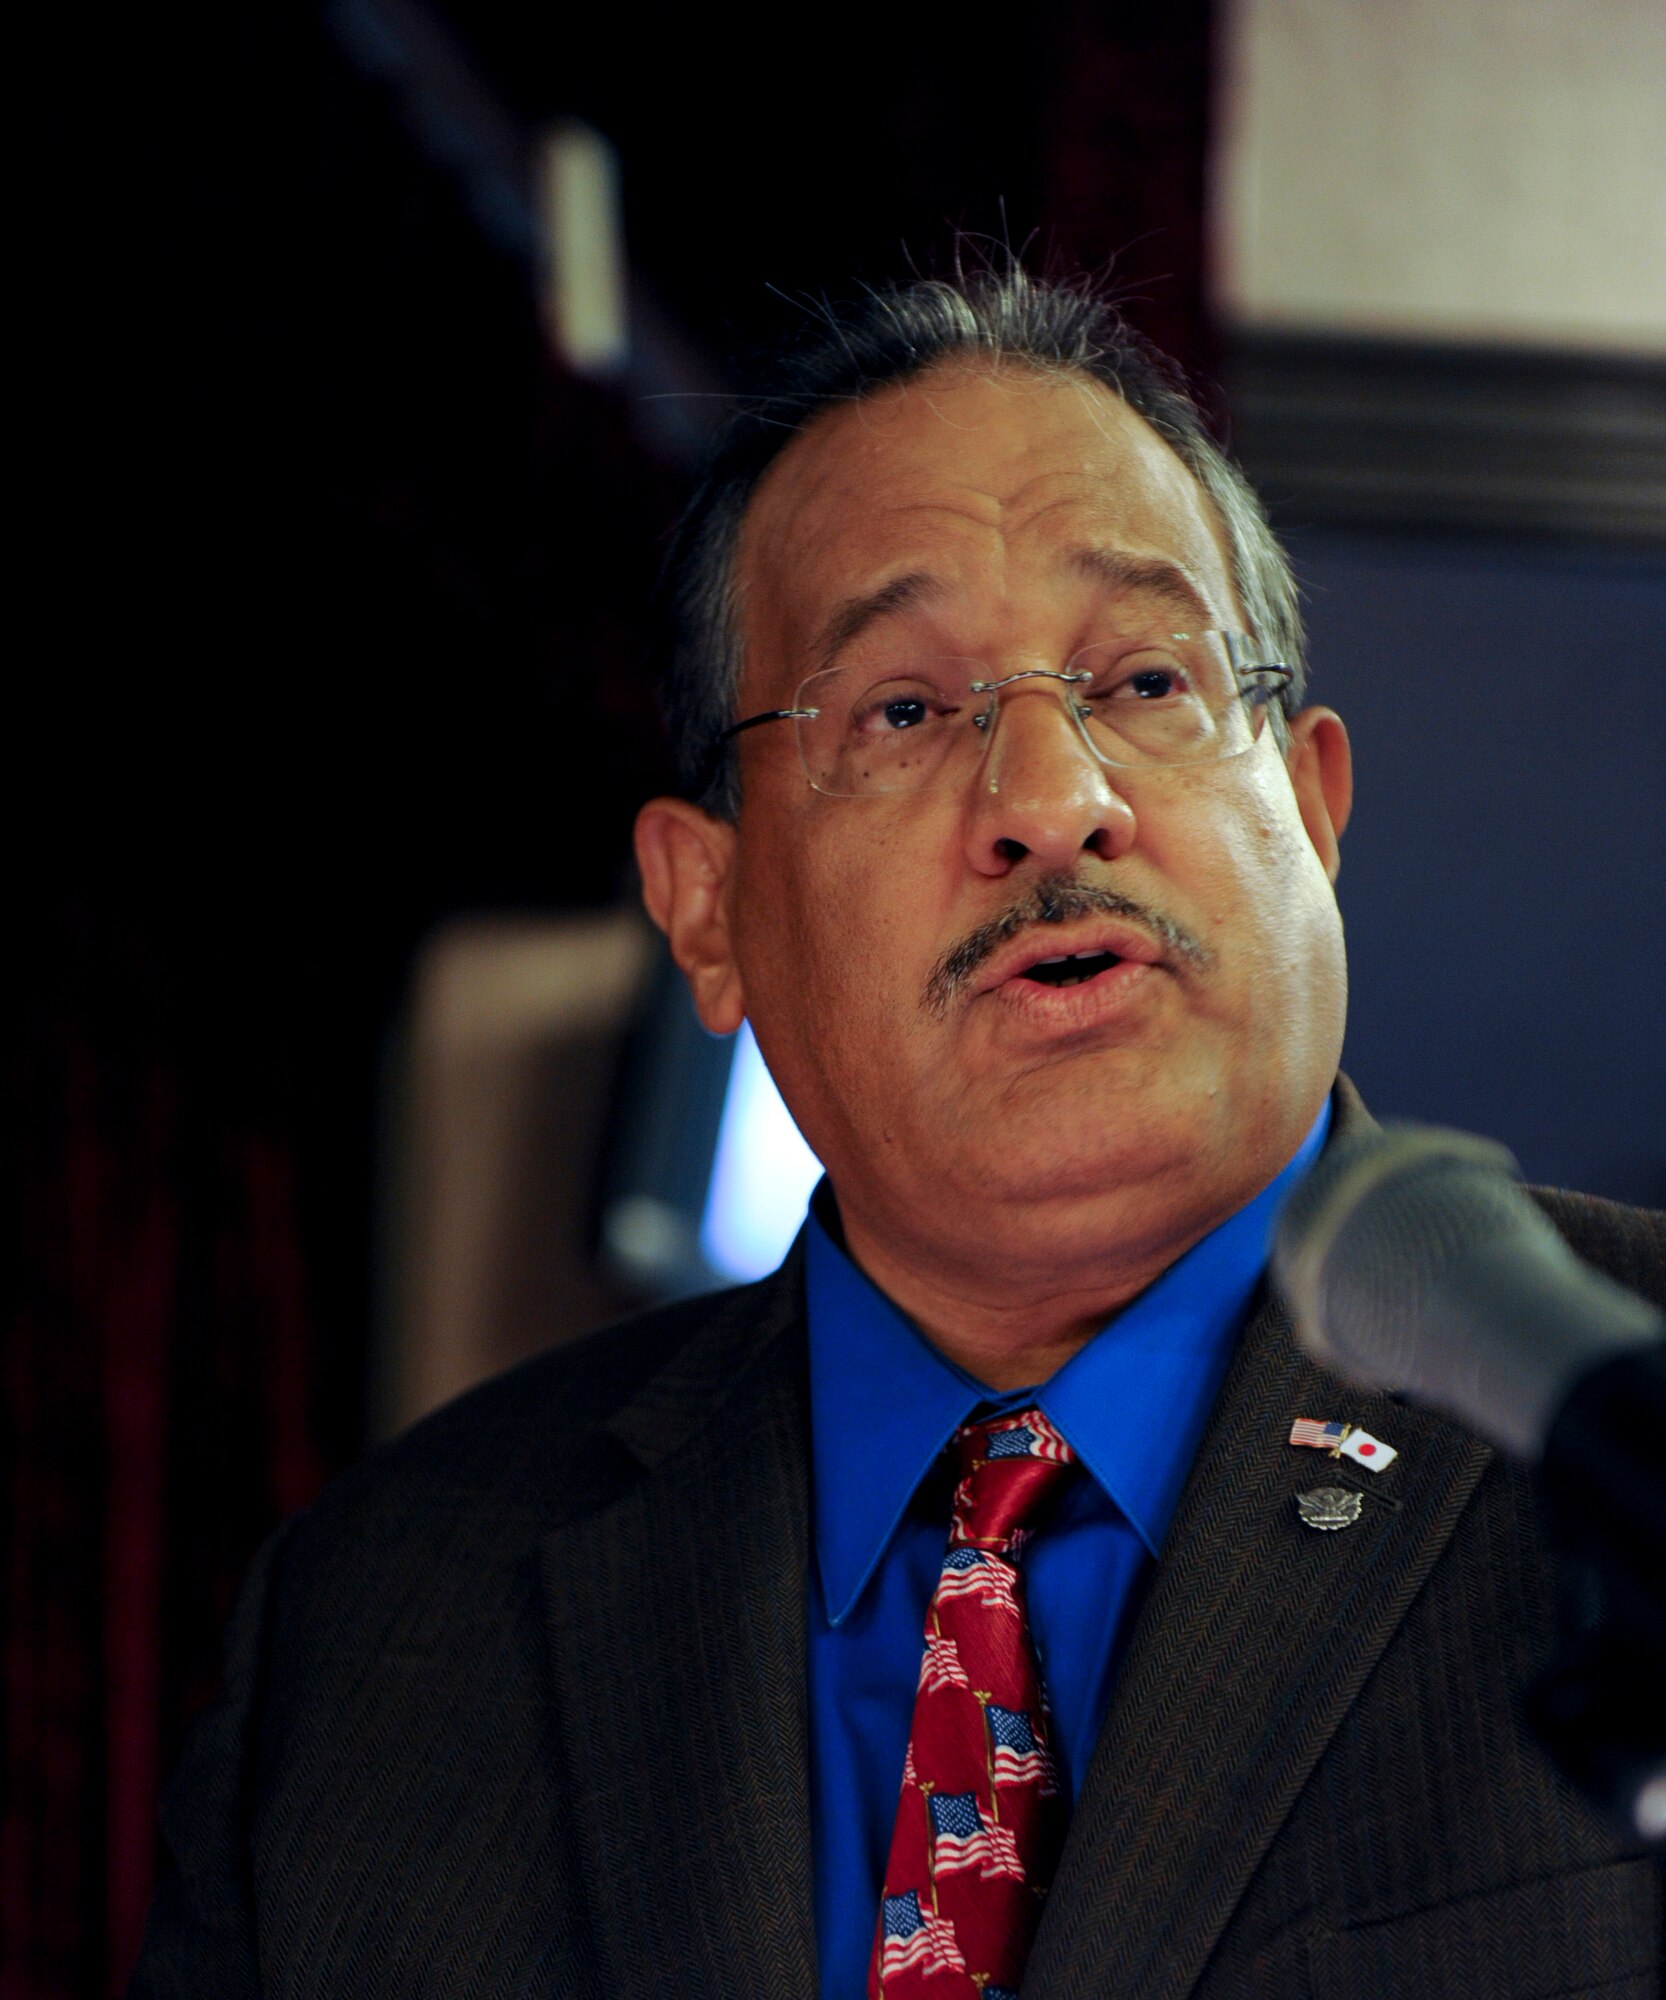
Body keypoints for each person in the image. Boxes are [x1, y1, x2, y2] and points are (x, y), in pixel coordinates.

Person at [131, 267, 1663, 1999]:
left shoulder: (1630, 1419)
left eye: (1147, 679)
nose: (1049, 801)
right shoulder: (377, 1632)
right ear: (703, 909)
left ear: (1308, 809)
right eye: (905, 711)